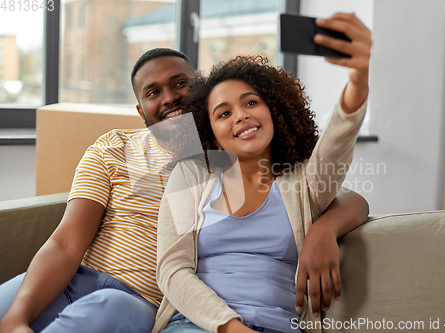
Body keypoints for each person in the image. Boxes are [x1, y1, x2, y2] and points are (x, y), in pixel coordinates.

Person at [0, 42, 367, 333]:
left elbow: (331, 182)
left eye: (180, 83)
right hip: (82, 277)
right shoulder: (116, 148)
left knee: (106, 311)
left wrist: (326, 227)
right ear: (140, 109)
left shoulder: (226, 159)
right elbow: (66, 242)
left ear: (200, 92)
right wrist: (16, 316)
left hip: (139, 299)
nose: (169, 98)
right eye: (152, 92)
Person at [153, 12, 371, 333]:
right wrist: (230, 327)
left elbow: (337, 142)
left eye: (251, 103)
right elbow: (172, 270)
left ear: (275, 112)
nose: (240, 116)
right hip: (197, 325)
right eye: (224, 113)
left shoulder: (304, 183)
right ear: (211, 134)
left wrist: (358, 79)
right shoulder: (191, 175)